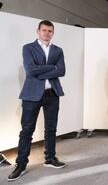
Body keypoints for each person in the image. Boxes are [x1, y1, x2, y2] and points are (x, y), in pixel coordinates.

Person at [8, 20, 66, 182]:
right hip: (32, 94)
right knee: (27, 130)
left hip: (52, 93)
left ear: (52, 33)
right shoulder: (28, 48)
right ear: (38, 31)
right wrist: (52, 68)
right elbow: (30, 70)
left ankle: (50, 158)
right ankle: (20, 164)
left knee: (51, 129)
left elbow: (62, 71)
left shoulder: (58, 50)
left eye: (50, 31)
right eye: (44, 30)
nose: (47, 33)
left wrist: (44, 70)